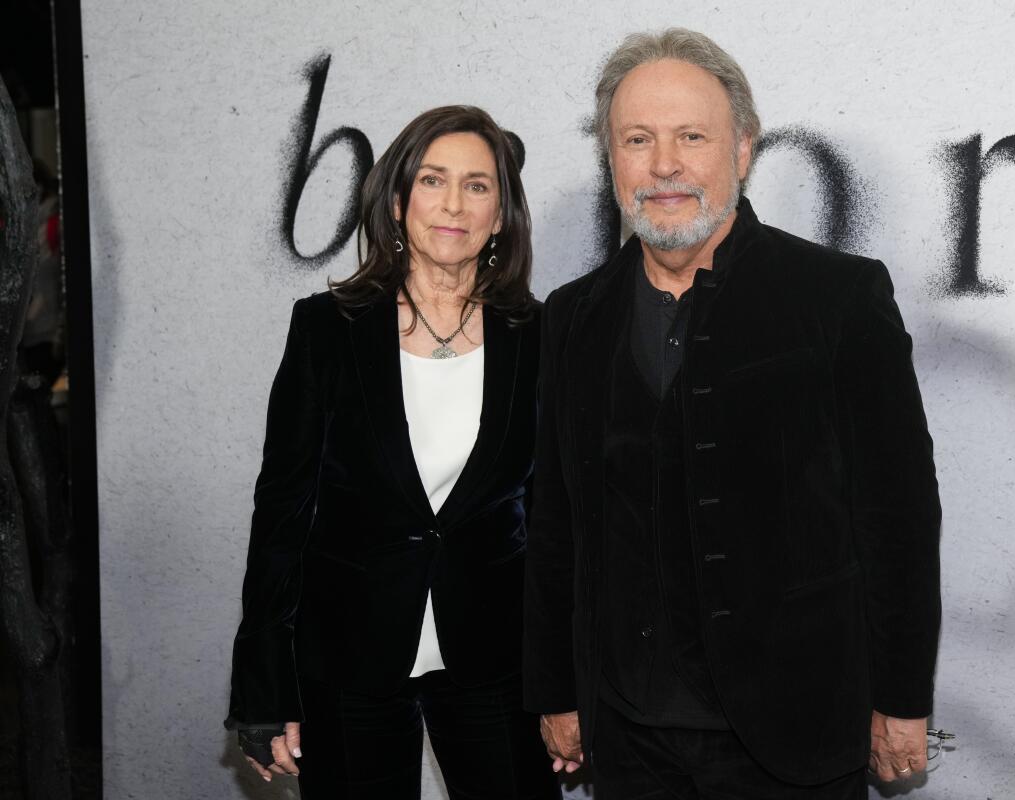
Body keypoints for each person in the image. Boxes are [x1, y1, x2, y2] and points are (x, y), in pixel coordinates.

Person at [523, 29, 942, 799]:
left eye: (692, 136)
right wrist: (557, 689)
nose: (664, 164)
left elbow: (900, 517)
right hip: (628, 734)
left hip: (795, 732)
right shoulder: (573, 316)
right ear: (611, 158)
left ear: (742, 150)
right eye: (637, 139)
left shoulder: (837, 298)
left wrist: (902, 701)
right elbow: (557, 525)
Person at [226, 105, 561, 799]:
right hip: (349, 653)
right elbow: (283, 509)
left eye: (477, 185)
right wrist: (263, 683)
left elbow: (559, 519)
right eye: (433, 180)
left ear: (501, 214)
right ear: (399, 201)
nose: (454, 204)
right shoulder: (326, 329)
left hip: (497, 655)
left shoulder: (541, 337)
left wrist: (568, 680)